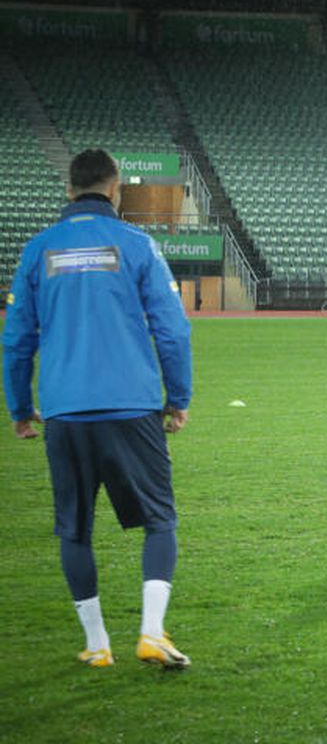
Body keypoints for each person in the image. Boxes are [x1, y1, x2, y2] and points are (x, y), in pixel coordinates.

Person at [3, 149, 194, 668]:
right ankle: (151, 633)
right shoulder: (138, 245)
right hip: (132, 407)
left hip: (65, 411)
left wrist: (20, 408)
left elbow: (16, 338)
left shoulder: (38, 251)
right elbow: (173, 330)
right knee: (159, 520)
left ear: (69, 191)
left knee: (75, 528)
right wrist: (177, 400)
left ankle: (97, 645)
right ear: (114, 190)